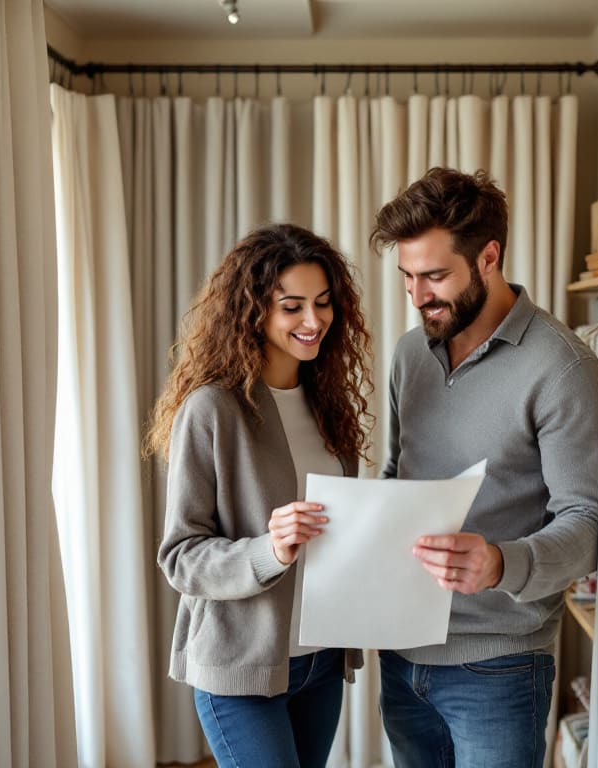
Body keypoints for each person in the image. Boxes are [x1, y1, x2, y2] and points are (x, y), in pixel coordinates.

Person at [370, 167, 598, 768]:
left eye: (435, 276)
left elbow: (590, 523)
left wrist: (502, 562)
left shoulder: (563, 367)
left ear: (489, 257)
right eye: (407, 278)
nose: (419, 295)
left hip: (499, 665)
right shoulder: (408, 354)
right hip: (403, 649)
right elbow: (398, 475)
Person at [145, 223, 374, 768]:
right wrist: (267, 550)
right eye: (291, 306)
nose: (313, 321)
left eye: (322, 303)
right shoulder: (212, 410)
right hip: (239, 669)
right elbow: (180, 556)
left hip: (320, 664)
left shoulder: (327, 404)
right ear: (253, 311)